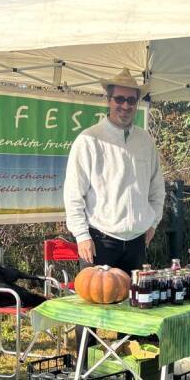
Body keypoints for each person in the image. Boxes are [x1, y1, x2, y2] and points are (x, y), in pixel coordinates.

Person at [63, 68, 164, 274]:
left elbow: (157, 187)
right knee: (97, 304)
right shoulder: (89, 140)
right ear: (109, 100)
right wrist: (82, 236)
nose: (125, 105)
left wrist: (153, 222)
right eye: (119, 99)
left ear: (137, 103)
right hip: (100, 242)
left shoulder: (145, 141)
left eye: (131, 100)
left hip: (137, 243)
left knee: (135, 303)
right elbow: (73, 193)